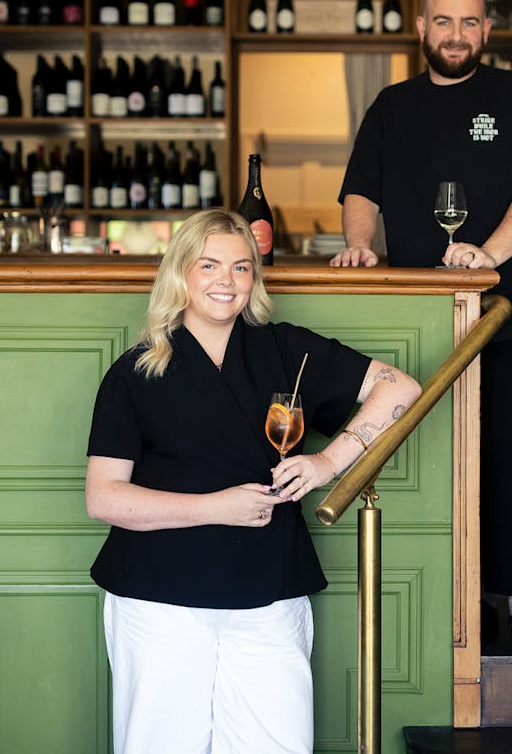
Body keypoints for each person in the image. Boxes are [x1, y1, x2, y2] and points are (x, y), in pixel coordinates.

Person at [85, 209, 421, 754]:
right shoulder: (135, 371)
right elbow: (103, 497)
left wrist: (326, 465)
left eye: (242, 268)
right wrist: (214, 507)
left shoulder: (288, 349)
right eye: (210, 264)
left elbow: (400, 389)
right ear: (180, 273)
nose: (227, 280)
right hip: (159, 599)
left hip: (269, 592)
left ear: (254, 278)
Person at [331, 0, 512, 655]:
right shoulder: (391, 105)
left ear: (487, 32)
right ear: (421, 27)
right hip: (417, 319)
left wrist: (487, 257)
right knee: (430, 457)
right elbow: (361, 190)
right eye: (444, 22)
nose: (457, 35)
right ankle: (459, 592)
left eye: (470, 23)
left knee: (502, 451)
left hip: (503, 311)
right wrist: (357, 246)